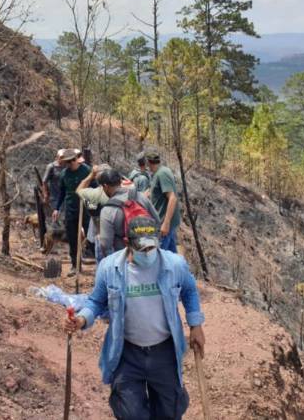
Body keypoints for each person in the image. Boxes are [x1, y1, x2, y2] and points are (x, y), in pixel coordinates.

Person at [63, 218, 205, 420]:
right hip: (127, 352)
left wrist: (195, 325)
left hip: (164, 351)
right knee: (130, 413)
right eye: (142, 248)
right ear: (127, 242)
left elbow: (190, 290)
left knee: (170, 411)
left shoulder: (174, 265)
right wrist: (81, 319)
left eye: (151, 247)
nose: (148, 254)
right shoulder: (109, 268)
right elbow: (96, 301)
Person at [96, 167, 161, 260]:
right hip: (149, 253)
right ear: (120, 181)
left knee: (99, 240)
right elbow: (157, 222)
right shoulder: (140, 196)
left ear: (105, 186)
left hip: (126, 259)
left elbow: (106, 244)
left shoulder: (107, 210)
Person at [53, 148, 93, 276]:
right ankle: (75, 265)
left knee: (90, 236)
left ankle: (94, 261)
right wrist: (57, 208)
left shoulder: (86, 171)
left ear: (76, 160)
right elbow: (62, 193)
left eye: (71, 161)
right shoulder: (64, 174)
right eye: (67, 162)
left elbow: (96, 187)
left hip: (86, 208)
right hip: (70, 208)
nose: (69, 164)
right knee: (72, 238)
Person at [145, 148, 181, 253]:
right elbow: (157, 190)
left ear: (148, 162)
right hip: (166, 223)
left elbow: (172, 198)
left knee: (159, 256)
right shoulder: (161, 171)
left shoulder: (162, 174)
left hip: (163, 224)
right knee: (171, 256)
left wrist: (166, 223)